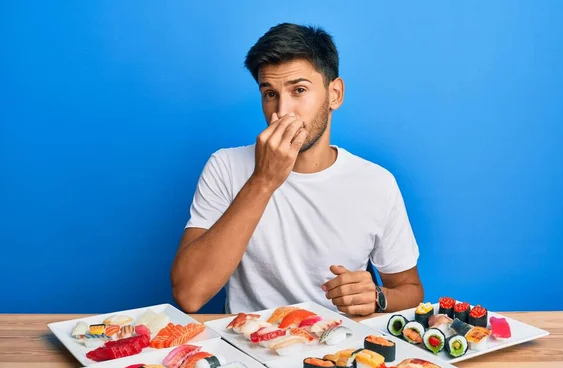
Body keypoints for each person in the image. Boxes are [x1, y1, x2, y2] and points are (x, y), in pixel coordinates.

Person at [171, 23, 423, 316]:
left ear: (335, 94)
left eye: (299, 90)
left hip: (338, 351)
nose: (282, 111)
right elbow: (189, 295)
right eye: (270, 93)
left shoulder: (377, 183)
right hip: (248, 349)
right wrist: (264, 180)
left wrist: (377, 297)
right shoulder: (226, 166)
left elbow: (411, 290)